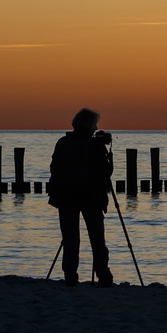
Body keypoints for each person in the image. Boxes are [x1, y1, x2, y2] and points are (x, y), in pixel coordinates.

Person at [49, 108, 114, 286]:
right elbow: (105, 172)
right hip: (91, 197)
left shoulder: (63, 142)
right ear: (90, 125)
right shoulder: (94, 146)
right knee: (97, 239)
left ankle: (70, 275)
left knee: (70, 239)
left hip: (66, 197)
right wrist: (107, 152)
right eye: (95, 124)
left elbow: (54, 168)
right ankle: (103, 275)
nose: (97, 128)